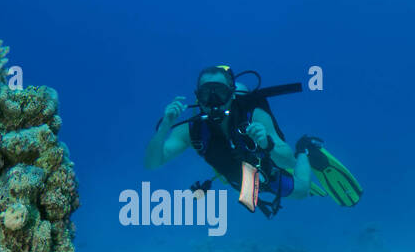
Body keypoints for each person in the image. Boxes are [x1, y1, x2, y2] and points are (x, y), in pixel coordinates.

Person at [145, 65, 362, 217]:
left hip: (265, 166)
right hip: (238, 177)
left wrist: (267, 143)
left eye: (219, 93)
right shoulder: (190, 128)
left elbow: (287, 161)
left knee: (302, 191)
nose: (213, 102)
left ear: (231, 94)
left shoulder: (254, 115)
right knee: (254, 196)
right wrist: (164, 126)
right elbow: (153, 163)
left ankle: (304, 149)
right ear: (197, 97)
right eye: (206, 94)